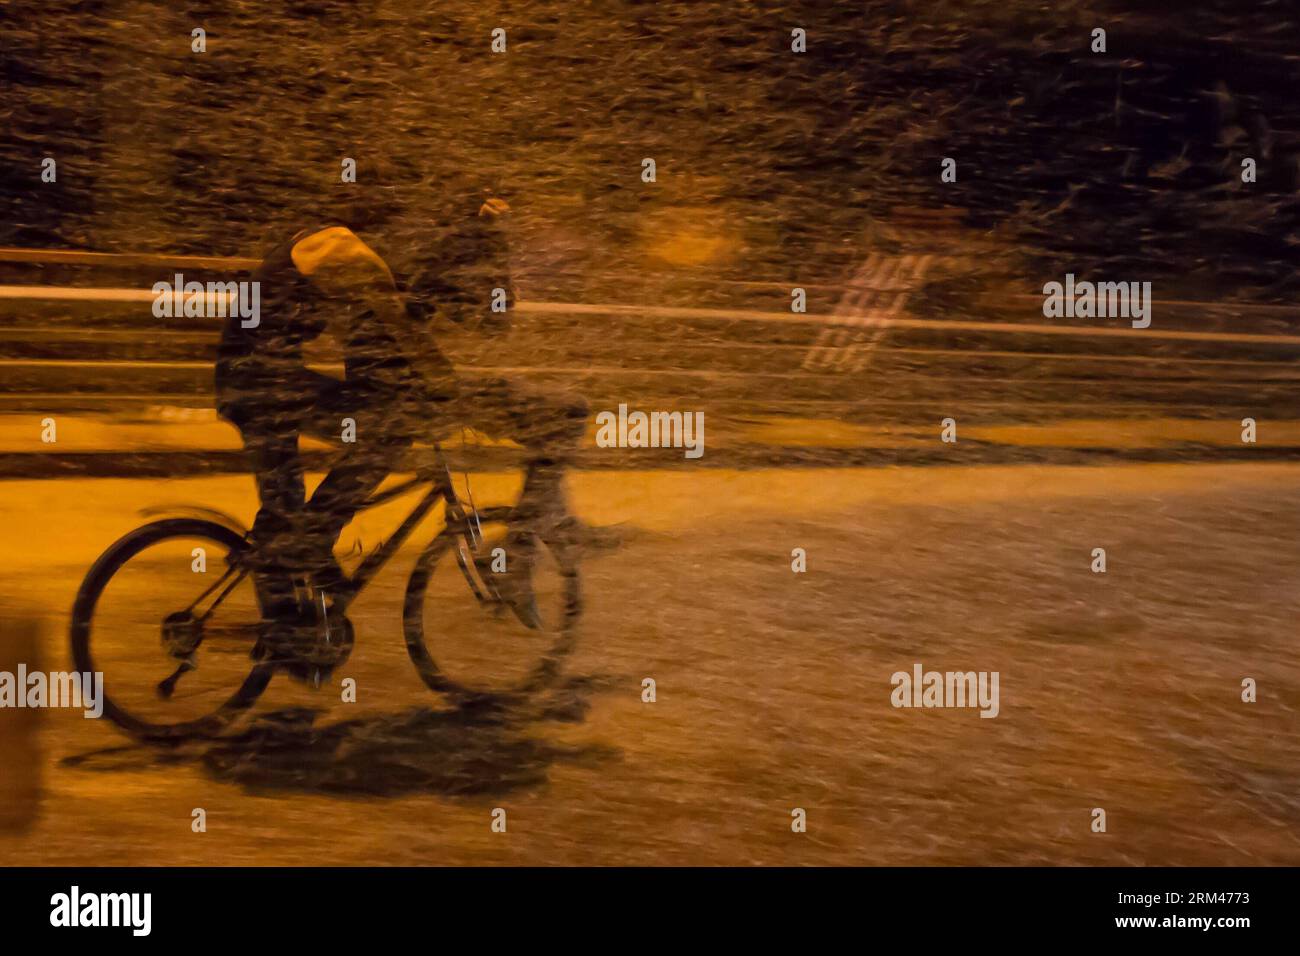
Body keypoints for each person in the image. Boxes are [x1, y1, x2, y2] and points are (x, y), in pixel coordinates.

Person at [214, 171, 587, 657]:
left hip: (263, 386)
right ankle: (309, 554)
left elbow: (395, 340)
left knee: (288, 526)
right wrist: (452, 392)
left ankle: (293, 635)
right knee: (383, 437)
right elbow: (402, 333)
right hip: (263, 386)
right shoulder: (338, 247)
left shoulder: (357, 266)